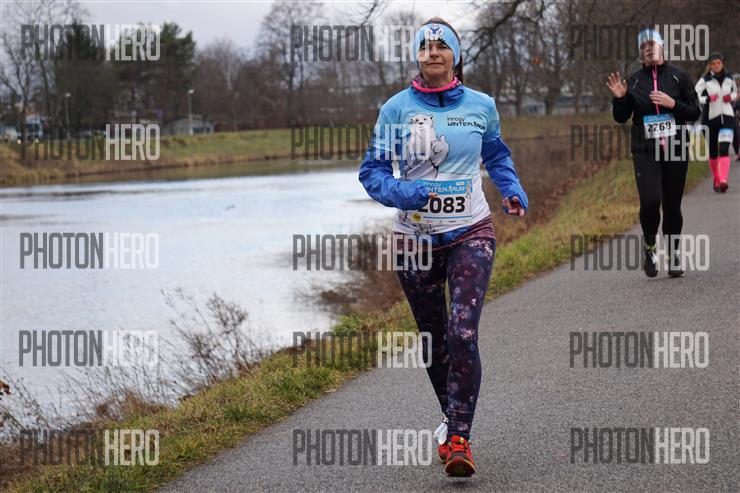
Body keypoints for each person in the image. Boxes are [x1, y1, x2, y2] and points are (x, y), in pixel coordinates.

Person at [358, 17, 527, 477]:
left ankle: (458, 438)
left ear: (456, 55)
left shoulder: (481, 105)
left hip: (471, 231)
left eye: (441, 45)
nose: (432, 52)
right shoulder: (395, 109)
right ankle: (452, 418)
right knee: (434, 340)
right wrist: (404, 192)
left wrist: (511, 189)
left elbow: (496, 155)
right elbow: (372, 172)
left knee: (463, 332)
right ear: (416, 55)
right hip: (414, 240)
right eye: (424, 46)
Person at [607, 29, 701, 278]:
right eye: (643, 47)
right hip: (645, 150)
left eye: (652, 44)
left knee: (672, 205)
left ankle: (673, 253)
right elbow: (621, 117)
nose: (648, 49)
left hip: (675, 148)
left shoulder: (680, 77)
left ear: (662, 47)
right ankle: (650, 248)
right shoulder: (635, 81)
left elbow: (695, 112)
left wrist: (673, 104)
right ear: (641, 54)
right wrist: (620, 98)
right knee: (650, 201)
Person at [695, 53, 737, 192]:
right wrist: (707, 99)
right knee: (713, 152)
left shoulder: (729, 77)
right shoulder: (705, 79)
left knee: (724, 148)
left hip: (728, 117)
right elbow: (694, 95)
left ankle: (724, 180)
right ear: (710, 65)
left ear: (722, 64)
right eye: (713, 64)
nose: (716, 66)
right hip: (710, 119)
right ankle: (717, 179)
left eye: (718, 63)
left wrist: (730, 97)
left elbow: (735, 93)